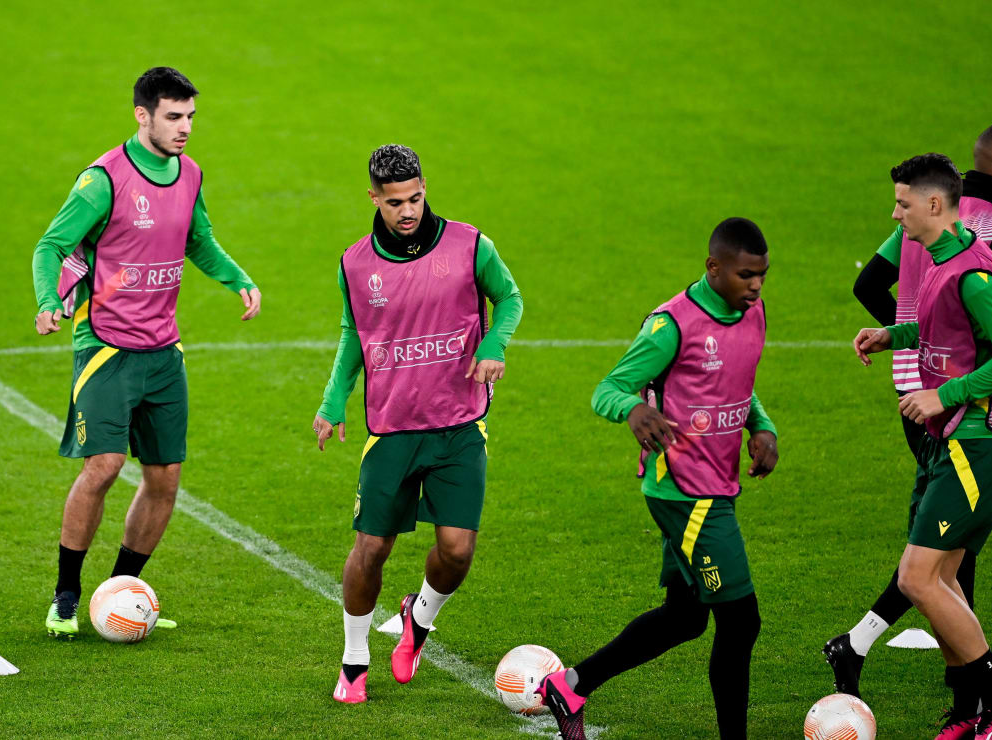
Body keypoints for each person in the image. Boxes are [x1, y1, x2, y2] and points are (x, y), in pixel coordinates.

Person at [826, 123, 992, 696]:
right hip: (964, 409)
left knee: (936, 551)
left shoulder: (943, 226)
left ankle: (970, 677)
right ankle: (972, 680)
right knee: (937, 553)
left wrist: (921, 353)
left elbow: (882, 284)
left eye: (900, 206)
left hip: (916, 397)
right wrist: (933, 351)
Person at [32, 66, 260, 639]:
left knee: (164, 479)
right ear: (143, 115)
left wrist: (236, 279)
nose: (185, 128)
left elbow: (198, 239)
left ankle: (123, 592)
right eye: (174, 117)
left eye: (190, 117)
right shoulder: (103, 180)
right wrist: (47, 300)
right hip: (106, 347)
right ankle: (65, 595)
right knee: (104, 467)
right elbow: (53, 244)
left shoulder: (190, 174)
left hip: (163, 352)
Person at [536, 218, 778, 740]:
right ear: (713, 268)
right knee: (741, 622)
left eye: (762, 275)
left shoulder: (752, 311)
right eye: (745, 275)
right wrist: (631, 411)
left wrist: (762, 426)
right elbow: (608, 388)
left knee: (687, 617)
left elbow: (741, 381)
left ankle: (570, 685)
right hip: (685, 492)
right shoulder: (672, 325)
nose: (756, 285)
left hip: (717, 485)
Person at [313, 144, 523, 704]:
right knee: (372, 548)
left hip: (459, 424)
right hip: (392, 428)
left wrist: (494, 343)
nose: (408, 211)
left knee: (456, 550)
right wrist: (335, 402)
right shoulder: (355, 263)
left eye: (415, 197)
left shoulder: (469, 245)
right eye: (395, 202)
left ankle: (419, 617)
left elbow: (509, 298)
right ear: (374, 198)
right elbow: (352, 334)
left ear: (424, 187)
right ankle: (355, 660)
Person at [852, 154, 992, 739]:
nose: (895, 212)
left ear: (935, 204)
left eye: (903, 203)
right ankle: (967, 712)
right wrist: (892, 336)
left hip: (974, 441)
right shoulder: (937, 259)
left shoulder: (975, 274)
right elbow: (937, 329)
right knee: (945, 578)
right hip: (947, 441)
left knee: (917, 578)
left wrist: (943, 394)